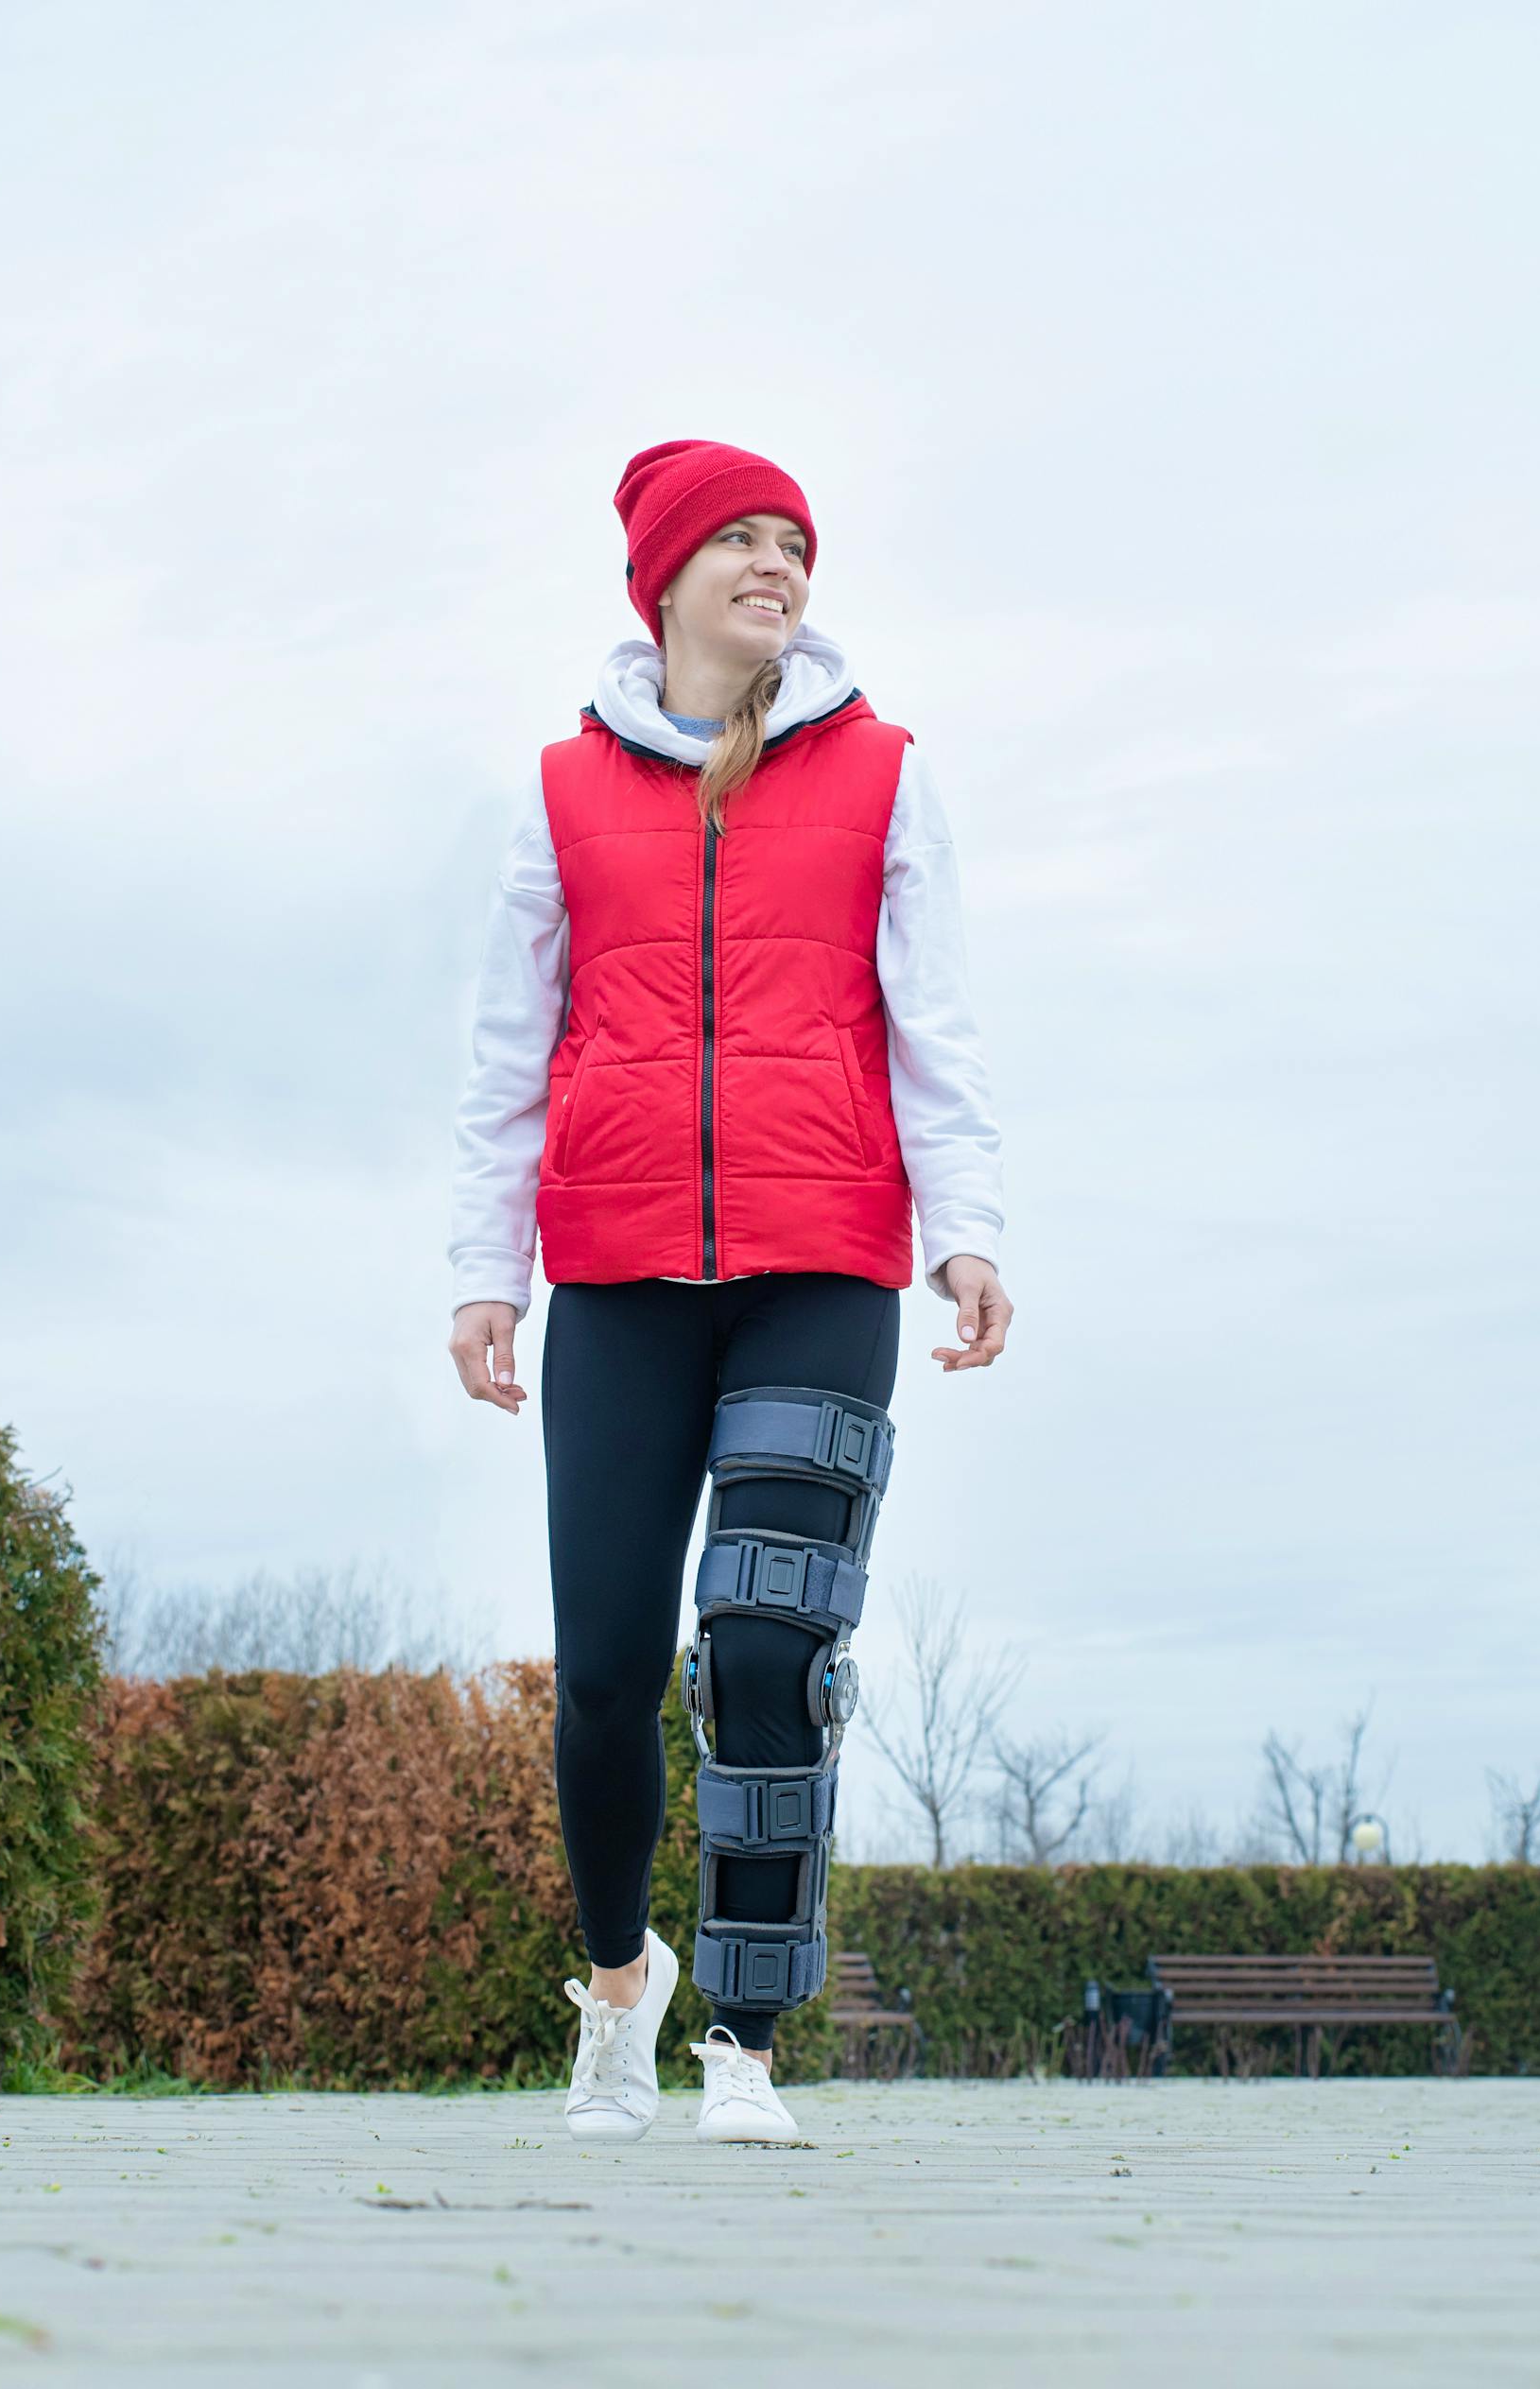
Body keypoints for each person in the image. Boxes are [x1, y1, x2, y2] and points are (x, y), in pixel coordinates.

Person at [444, 440, 1011, 2145]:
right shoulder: (561, 792)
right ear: (667, 580)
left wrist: (967, 1229)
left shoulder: (886, 774)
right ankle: (623, 1994)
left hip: (824, 1260)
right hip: (616, 1272)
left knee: (768, 1645)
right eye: (743, 543)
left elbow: (939, 1028)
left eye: (796, 544)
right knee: (611, 1670)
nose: (778, 566)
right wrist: (487, 1272)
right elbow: (504, 1056)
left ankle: (747, 2044)